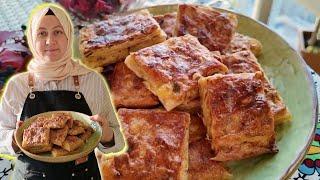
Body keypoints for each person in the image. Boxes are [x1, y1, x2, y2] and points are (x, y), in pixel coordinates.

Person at [0, 3, 125, 180]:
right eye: (42, 33)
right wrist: (14, 138)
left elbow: (117, 141)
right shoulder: (17, 85)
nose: (50, 41)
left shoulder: (91, 80)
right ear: (32, 39)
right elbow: (1, 133)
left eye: (58, 32)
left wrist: (106, 134)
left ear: (69, 36)